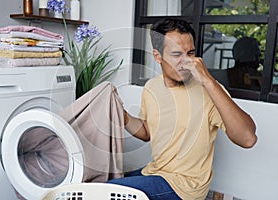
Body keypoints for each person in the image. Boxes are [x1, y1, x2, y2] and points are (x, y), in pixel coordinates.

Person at [108, 18, 257, 200]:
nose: (186, 62)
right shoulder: (151, 87)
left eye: (191, 53)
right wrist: (121, 115)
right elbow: (148, 132)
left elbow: (248, 138)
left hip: (185, 187)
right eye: (177, 54)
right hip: (157, 173)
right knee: (102, 182)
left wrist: (208, 81)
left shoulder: (209, 90)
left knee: (108, 192)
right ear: (158, 56)